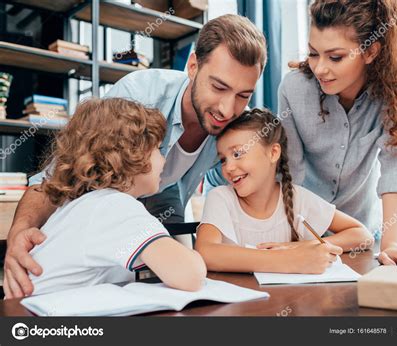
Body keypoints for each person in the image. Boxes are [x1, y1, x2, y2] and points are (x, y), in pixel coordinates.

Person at [4, 14, 267, 298]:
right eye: (218, 87)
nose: (228, 110)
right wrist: (19, 233)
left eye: (243, 96)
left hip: (162, 200)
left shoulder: (235, 130)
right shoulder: (138, 97)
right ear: (193, 66)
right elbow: (55, 181)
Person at [278, 0, 397, 266]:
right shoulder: (293, 90)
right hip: (306, 236)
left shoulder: (393, 97)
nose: (320, 68)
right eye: (313, 53)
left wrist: (393, 244)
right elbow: (289, 173)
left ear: (370, 51)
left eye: (335, 57)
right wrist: (293, 242)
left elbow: (395, 167)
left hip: (360, 238)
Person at [28, 98, 206, 296]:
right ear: (131, 154)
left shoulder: (82, 205)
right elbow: (190, 275)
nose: (164, 158)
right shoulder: (115, 206)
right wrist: (197, 258)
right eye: (157, 148)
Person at [195, 109, 373, 273]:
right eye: (223, 160)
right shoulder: (221, 198)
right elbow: (206, 252)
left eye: (237, 154)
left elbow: (362, 234)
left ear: (273, 153)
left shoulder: (297, 198)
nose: (229, 167)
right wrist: (288, 260)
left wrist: (303, 248)